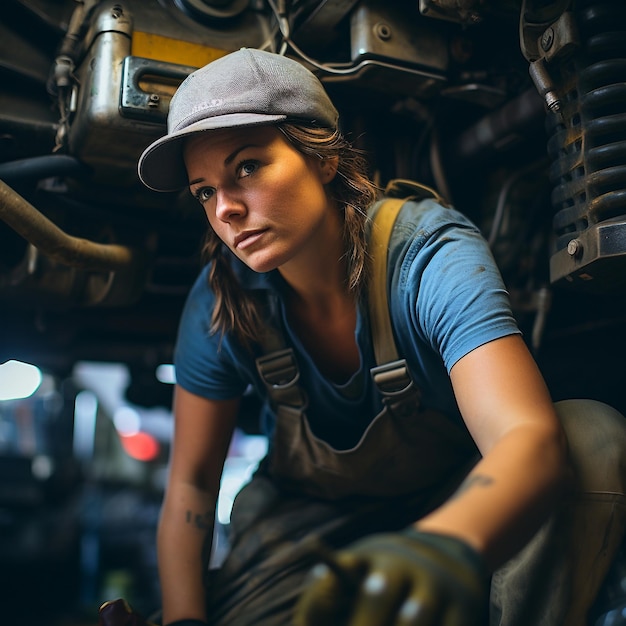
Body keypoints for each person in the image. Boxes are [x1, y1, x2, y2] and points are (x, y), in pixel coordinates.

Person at [137, 48, 626, 626]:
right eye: (203, 191)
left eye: (247, 166)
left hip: (456, 496)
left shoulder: (426, 253)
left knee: (589, 440)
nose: (226, 209)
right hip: (303, 528)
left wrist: (445, 545)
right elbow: (193, 485)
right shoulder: (223, 300)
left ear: (320, 157)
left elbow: (528, 436)